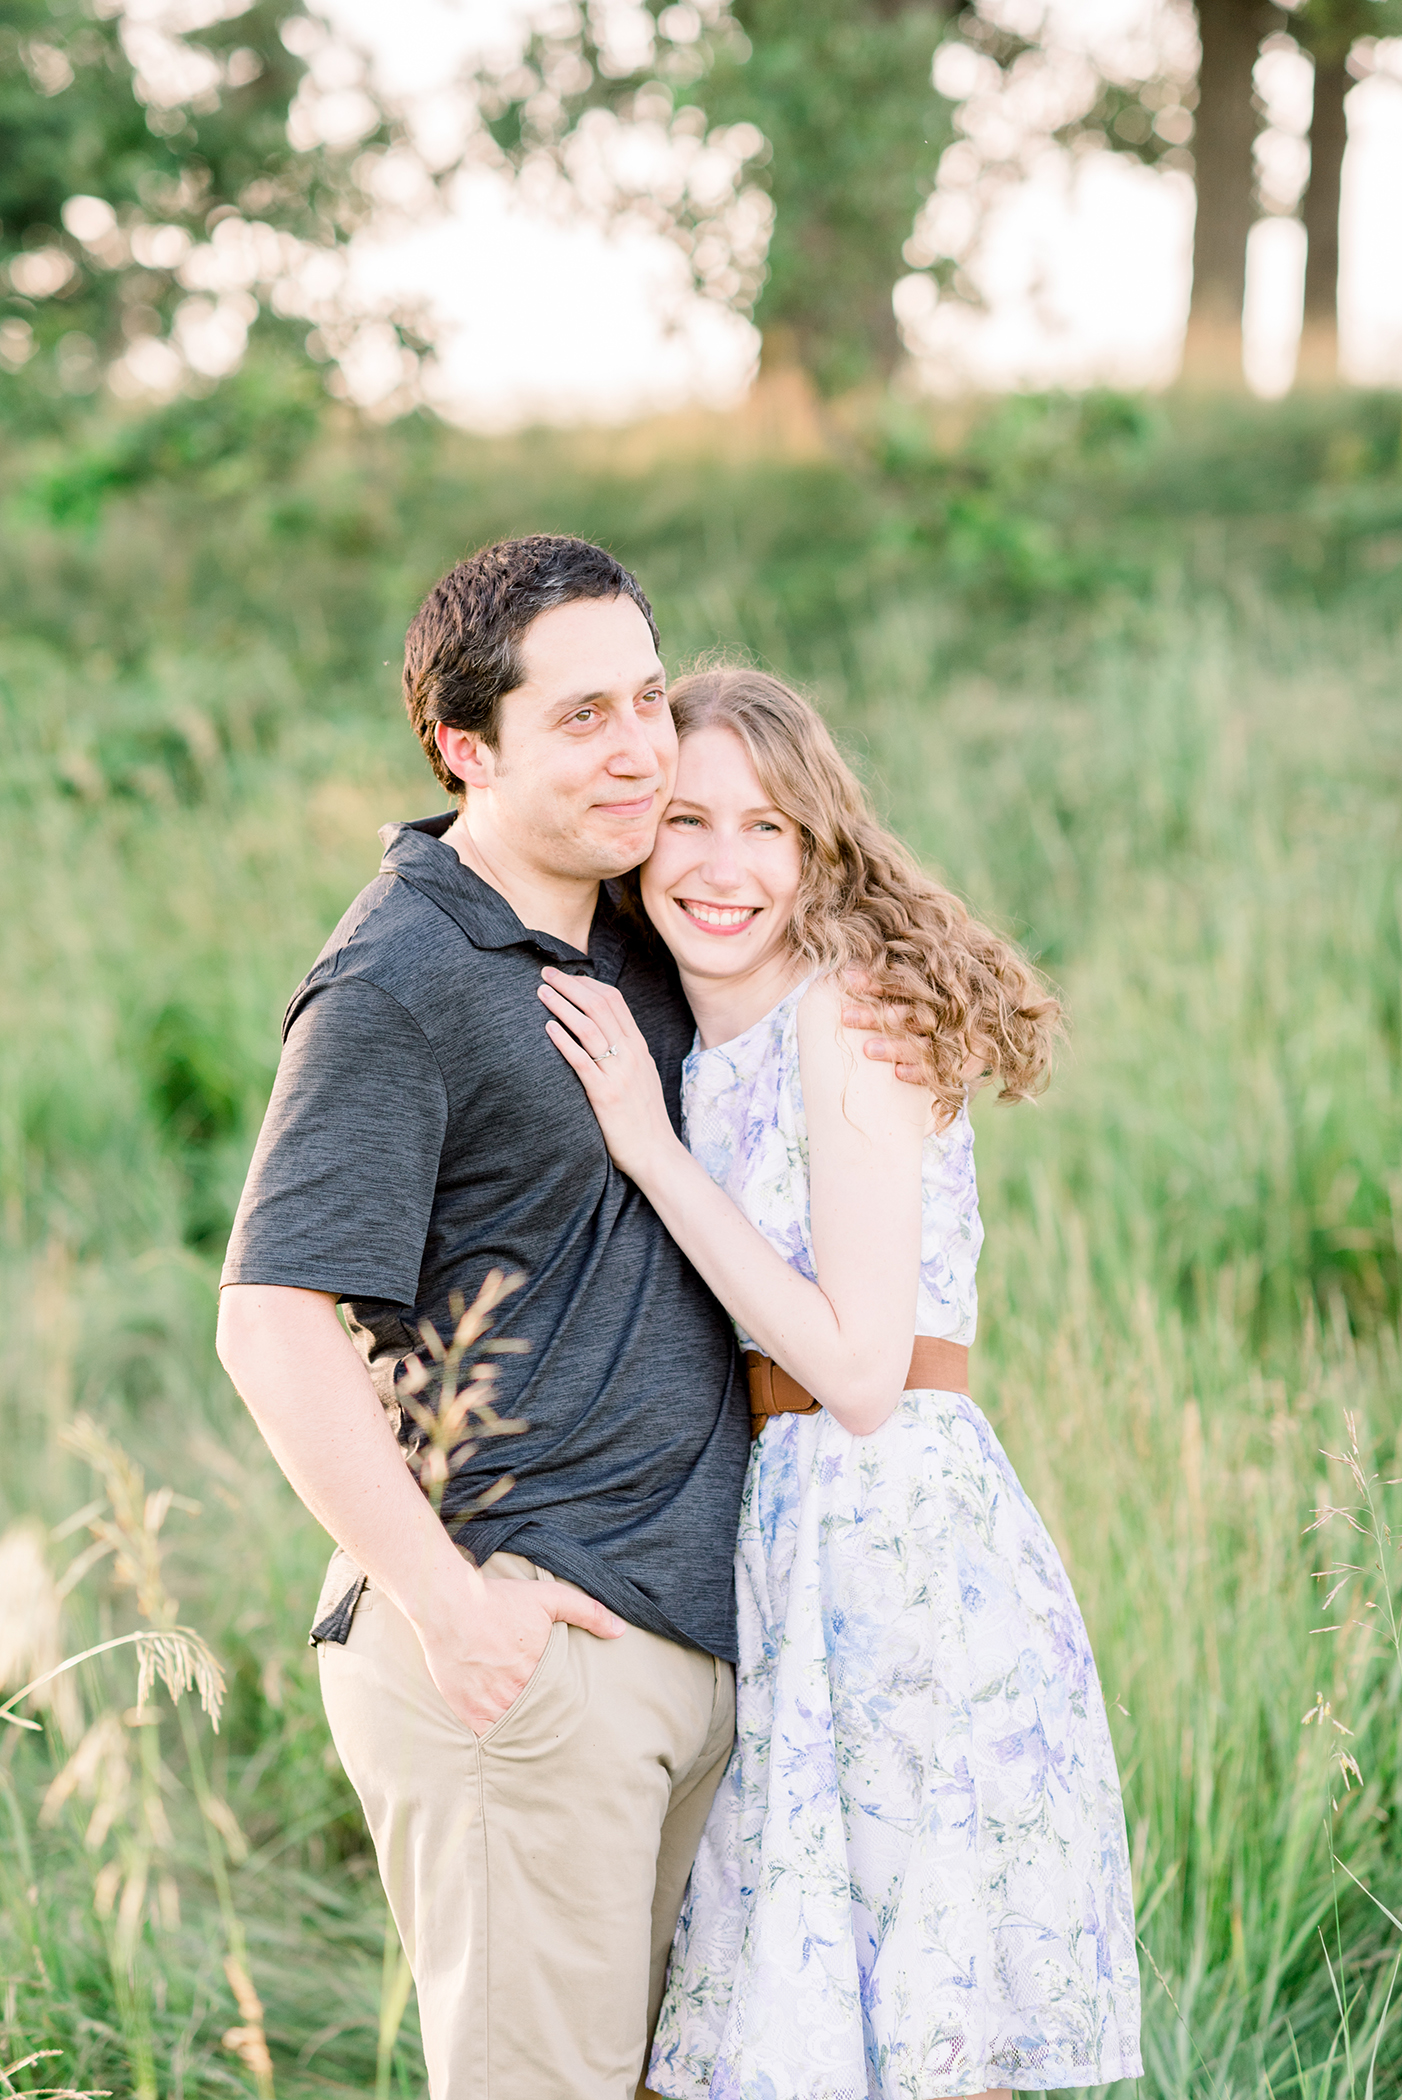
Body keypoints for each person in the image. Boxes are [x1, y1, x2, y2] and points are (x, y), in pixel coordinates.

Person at [537, 665, 1144, 2100]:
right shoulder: (694, 1033)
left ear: (821, 849)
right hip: (779, 1533)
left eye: (770, 827)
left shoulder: (848, 1009)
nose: (723, 865)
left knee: (918, 2029)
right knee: (784, 2022)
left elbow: (862, 1371)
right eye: (686, 821)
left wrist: (646, 1147)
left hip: (889, 1547)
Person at [216, 537, 760, 2100]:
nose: (640, 747)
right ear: (467, 747)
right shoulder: (398, 980)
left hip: (694, 1638)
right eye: (581, 716)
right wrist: (457, 1612)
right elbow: (270, 1321)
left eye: (649, 699)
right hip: (531, 1656)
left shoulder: (648, 921)